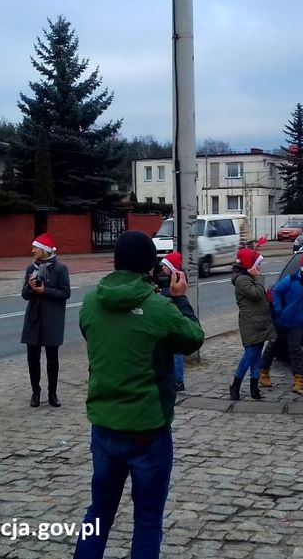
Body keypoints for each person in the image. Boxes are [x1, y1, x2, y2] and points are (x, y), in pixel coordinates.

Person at [74, 231, 205, 559]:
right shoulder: (159, 307)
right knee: (147, 519)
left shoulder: (90, 302)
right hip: (147, 427)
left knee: (98, 513)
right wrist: (179, 299)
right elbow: (192, 339)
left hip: (104, 425)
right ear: (151, 267)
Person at [21, 233, 71, 408]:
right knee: (32, 358)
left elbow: (65, 293)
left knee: (52, 358)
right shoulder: (31, 268)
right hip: (33, 319)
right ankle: (36, 391)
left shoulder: (60, 269)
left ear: (44, 250)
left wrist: (45, 291)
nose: (32, 250)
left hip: (52, 319)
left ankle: (52, 393)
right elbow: (24, 295)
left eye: (35, 248)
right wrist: (30, 286)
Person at [260, 251, 303, 393]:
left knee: (295, 349)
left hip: (297, 322)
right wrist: (278, 309)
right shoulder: (291, 280)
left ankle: (299, 379)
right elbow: (276, 291)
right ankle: (263, 373)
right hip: (281, 320)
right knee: (272, 346)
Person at [229, 247, 275, 401]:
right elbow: (256, 294)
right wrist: (259, 278)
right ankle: (235, 384)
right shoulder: (242, 280)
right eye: (257, 264)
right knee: (249, 355)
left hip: (259, 322)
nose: (260, 268)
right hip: (251, 323)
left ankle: (254, 387)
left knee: (256, 357)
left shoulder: (249, 278)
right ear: (250, 265)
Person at [155, 252, 188, 392]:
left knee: (176, 352)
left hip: (171, 321)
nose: (162, 267)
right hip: (170, 320)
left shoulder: (173, 282)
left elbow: (169, 297)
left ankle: (178, 380)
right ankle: (175, 378)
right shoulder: (168, 279)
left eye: (165, 265)